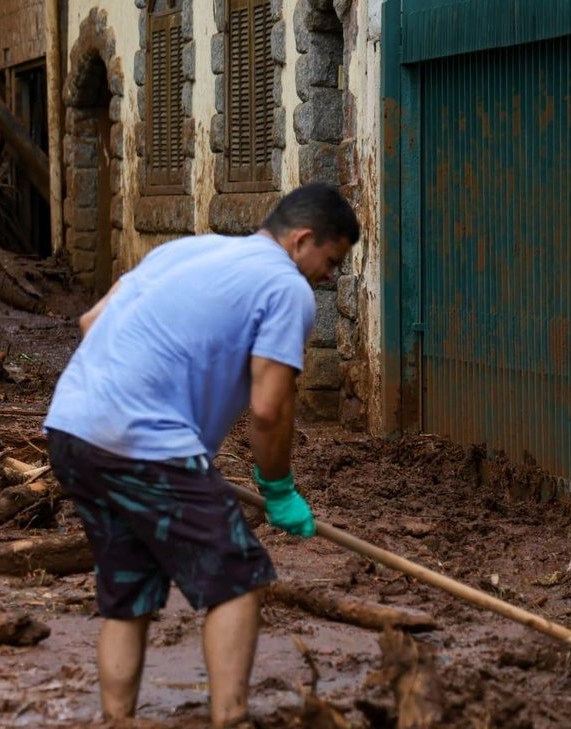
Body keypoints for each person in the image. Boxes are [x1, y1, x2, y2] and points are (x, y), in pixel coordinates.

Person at [43, 183, 359, 728]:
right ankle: (230, 719)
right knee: (237, 578)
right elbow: (268, 408)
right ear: (303, 239)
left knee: (129, 588)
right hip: (147, 442)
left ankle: (117, 720)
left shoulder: (185, 250)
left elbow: (92, 323)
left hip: (72, 428)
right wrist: (278, 489)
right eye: (331, 261)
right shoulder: (286, 288)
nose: (329, 277)